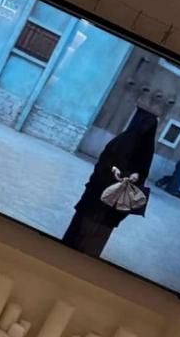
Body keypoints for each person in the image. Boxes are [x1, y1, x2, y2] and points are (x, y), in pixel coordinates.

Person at [62, 105, 158, 257]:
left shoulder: (134, 146)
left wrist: (133, 176)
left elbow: (140, 173)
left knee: (85, 236)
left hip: (105, 203)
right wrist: (117, 171)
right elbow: (106, 162)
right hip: (104, 202)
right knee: (86, 236)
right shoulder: (131, 144)